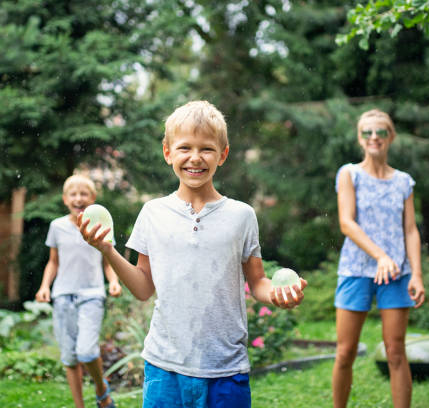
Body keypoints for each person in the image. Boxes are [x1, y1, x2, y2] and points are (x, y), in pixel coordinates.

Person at [78, 100, 307, 408]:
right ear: (167, 152)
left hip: (226, 369)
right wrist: (107, 249)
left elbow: (257, 282)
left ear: (222, 155)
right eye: (185, 147)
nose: (195, 158)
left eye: (207, 149)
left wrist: (279, 294)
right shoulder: (152, 213)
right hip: (164, 366)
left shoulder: (242, 216)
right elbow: (144, 287)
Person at [332, 109, 425, 408]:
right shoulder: (349, 174)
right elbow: (347, 223)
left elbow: (410, 230)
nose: (374, 137)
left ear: (390, 137)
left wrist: (417, 275)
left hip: (396, 274)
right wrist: (380, 256)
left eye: (381, 132)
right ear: (360, 138)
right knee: (345, 352)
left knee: (396, 352)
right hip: (356, 271)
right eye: (368, 132)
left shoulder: (404, 182)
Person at [35, 174, 122, 408]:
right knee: (71, 358)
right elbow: (53, 262)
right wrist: (45, 286)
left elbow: (107, 260)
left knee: (86, 351)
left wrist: (113, 281)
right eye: (73, 194)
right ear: (65, 199)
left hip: (92, 295)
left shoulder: (100, 225)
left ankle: (101, 390)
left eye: (84, 194)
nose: (78, 198)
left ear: (92, 198)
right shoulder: (57, 226)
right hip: (62, 297)